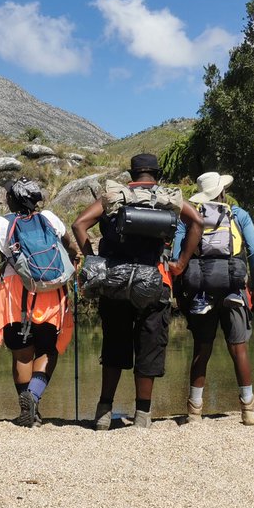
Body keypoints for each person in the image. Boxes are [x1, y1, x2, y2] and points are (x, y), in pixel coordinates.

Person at [72, 153, 202, 430]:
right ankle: (142, 416)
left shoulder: (113, 195)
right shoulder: (168, 197)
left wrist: (91, 258)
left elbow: (79, 223)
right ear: (157, 173)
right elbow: (198, 223)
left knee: (114, 344)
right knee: (150, 346)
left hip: (114, 282)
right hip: (154, 281)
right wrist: (180, 262)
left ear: (131, 174)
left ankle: (104, 412)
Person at [0, 178, 78, 427]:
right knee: (47, 350)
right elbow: (72, 249)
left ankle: (28, 411)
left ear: (11, 200)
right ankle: (33, 396)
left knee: (22, 355)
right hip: (51, 293)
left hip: (14, 295)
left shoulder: (1, 223)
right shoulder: (50, 218)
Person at [170, 171, 254, 425]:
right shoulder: (238, 215)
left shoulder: (188, 218)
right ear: (222, 192)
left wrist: (179, 292)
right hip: (233, 287)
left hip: (200, 288)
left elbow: (177, 257)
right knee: (238, 348)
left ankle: (194, 411)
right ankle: (248, 410)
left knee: (202, 347)